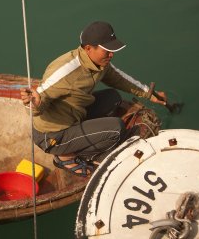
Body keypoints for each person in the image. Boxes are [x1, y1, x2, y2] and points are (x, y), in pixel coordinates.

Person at [20, 21, 167, 177]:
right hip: (52, 135)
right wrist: (35, 104)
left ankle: (85, 138)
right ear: (89, 48)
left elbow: (118, 78)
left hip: (75, 113)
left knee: (113, 97)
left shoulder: (99, 62)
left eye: (112, 50)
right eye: (107, 51)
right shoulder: (65, 72)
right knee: (116, 130)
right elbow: (37, 101)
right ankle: (66, 157)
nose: (111, 55)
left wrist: (148, 93)